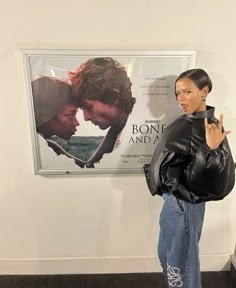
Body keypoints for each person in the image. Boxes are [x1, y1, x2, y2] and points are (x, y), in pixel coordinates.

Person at [144, 68, 235, 288]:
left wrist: (210, 150)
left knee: (181, 266)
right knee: (168, 258)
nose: (181, 99)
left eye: (187, 92)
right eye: (178, 93)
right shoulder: (185, 121)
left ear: (204, 91)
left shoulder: (209, 129)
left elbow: (211, 183)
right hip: (172, 202)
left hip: (185, 205)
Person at [69, 57, 136, 167]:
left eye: (89, 107)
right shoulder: (119, 124)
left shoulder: (127, 125)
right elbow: (91, 166)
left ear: (113, 96)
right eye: (82, 108)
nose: (86, 117)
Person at [31, 76, 85, 168]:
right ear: (45, 114)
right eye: (70, 115)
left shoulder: (47, 145)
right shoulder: (45, 148)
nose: (76, 123)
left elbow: (85, 167)